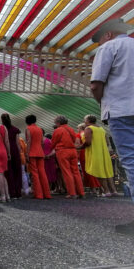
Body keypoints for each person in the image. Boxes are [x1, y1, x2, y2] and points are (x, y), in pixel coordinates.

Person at [90, 19, 134, 234]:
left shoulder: (109, 47)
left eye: (98, 40)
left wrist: (104, 103)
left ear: (107, 35)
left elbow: (96, 84)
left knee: (132, 162)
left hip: (122, 112)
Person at [80, 115, 117, 196]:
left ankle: (106, 191)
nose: (84, 121)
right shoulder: (101, 129)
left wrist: (80, 147)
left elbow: (88, 142)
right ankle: (114, 191)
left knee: (99, 172)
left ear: (88, 120)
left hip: (95, 153)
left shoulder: (88, 128)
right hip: (104, 153)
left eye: (85, 120)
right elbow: (107, 143)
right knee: (107, 172)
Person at [52, 116, 84, 199]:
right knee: (76, 172)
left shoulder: (57, 130)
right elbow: (75, 140)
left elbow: (53, 142)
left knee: (67, 172)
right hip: (73, 151)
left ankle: (72, 193)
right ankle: (81, 192)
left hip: (62, 151)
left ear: (58, 123)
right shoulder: (71, 129)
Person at [25, 115, 51, 200]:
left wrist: (27, 153)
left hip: (32, 153)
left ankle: (38, 194)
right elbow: (42, 142)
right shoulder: (40, 129)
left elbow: (28, 141)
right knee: (42, 173)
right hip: (40, 153)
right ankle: (47, 194)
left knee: (35, 174)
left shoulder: (28, 128)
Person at [76, 123, 101, 195]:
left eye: (78, 128)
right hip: (93, 152)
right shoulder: (92, 133)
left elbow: (77, 144)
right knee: (94, 170)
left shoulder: (79, 134)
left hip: (84, 153)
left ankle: (93, 188)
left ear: (80, 128)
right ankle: (100, 188)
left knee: (87, 171)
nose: (77, 130)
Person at [1, 114, 22, 199]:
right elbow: (18, 143)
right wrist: (19, 153)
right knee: (17, 171)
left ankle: (12, 193)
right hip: (15, 151)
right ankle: (18, 193)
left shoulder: (2, 129)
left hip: (6, 151)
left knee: (9, 173)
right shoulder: (15, 129)